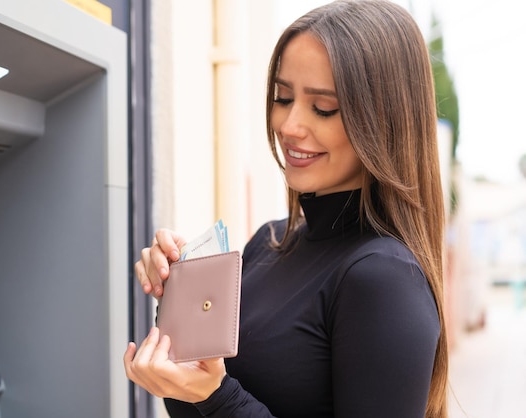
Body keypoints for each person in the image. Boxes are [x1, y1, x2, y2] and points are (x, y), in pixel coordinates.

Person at [124, 0, 449, 416]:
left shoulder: (383, 277)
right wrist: (178, 306)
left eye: (323, 107)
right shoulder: (269, 243)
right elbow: (195, 406)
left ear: (384, 119)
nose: (289, 125)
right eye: (282, 96)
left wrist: (218, 397)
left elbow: (217, 400)